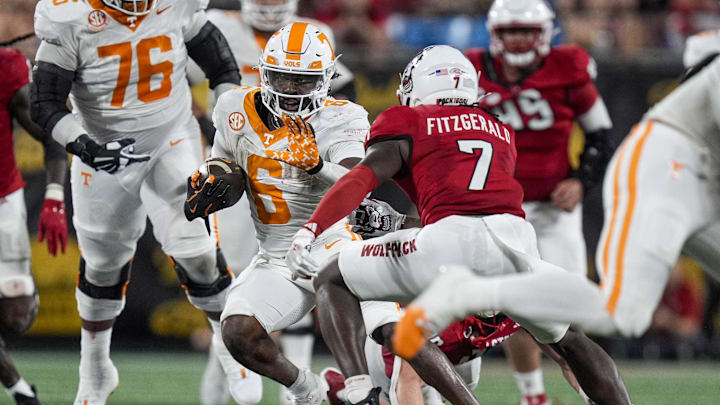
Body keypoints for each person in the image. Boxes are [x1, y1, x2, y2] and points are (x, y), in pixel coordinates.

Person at [287, 44, 632, 405]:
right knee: (570, 339)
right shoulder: (500, 129)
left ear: (417, 86)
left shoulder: (408, 119)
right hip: (517, 243)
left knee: (332, 277)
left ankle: (357, 392)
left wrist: (311, 228)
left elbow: (360, 178)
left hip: (449, 242)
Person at [395, 30, 720, 382]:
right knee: (623, 311)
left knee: (605, 312)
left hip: (700, 170)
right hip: (669, 165)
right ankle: (470, 292)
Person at [30, 1, 243, 404]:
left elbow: (219, 61)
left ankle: (230, 346)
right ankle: (94, 370)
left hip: (171, 138)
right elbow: (45, 103)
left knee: (197, 252)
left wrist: (227, 117)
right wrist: (85, 146)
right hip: (104, 147)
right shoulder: (70, 16)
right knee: (103, 264)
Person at [187, 21, 410, 405]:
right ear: (264, 72)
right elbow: (222, 167)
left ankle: (379, 393)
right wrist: (208, 186)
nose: (290, 89)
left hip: (338, 244)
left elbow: (359, 182)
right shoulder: (233, 107)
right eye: (281, 77)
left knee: (387, 343)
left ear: (325, 79)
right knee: (238, 331)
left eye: (302, 80)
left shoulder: (345, 116)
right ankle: (312, 391)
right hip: (276, 257)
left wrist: (315, 166)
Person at [463, 1, 614, 403]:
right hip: (494, 209)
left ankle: (590, 395)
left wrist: (581, 180)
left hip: (551, 206)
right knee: (514, 303)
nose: (517, 39)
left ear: (544, 34)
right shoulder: (469, 71)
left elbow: (601, 135)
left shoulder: (569, 69)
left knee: (566, 310)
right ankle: (533, 396)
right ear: (496, 33)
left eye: (525, 31)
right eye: (510, 30)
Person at [0, 42, 68, 405]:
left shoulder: (5, 66)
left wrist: (55, 195)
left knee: (16, 318)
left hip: (2, 200)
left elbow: (51, 131)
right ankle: (22, 393)